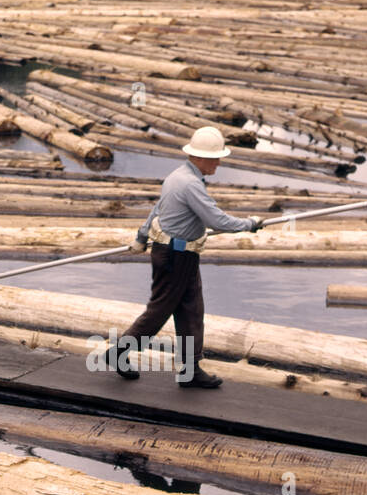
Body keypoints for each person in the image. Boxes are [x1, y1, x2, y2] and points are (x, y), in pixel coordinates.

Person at [108, 127, 262, 388]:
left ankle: (190, 370)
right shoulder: (190, 184)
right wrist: (250, 224)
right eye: (215, 158)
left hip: (183, 254)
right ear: (199, 158)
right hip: (174, 256)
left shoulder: (177, 176)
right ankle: (119, 353)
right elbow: (216, 220)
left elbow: (157, 210)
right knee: (159, 311)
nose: (219, 163)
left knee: (191, 310)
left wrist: (142, 236)